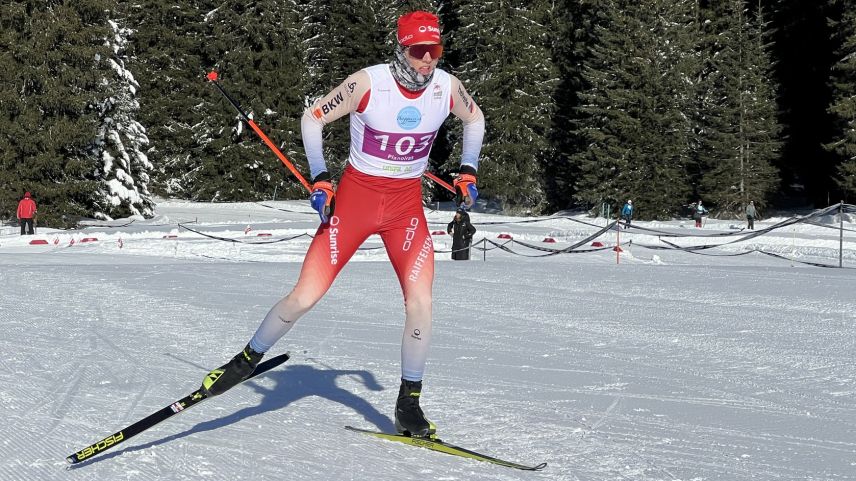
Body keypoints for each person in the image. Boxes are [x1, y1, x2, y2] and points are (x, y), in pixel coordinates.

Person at [200, 10, 485, 439]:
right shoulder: (367, 84)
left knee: (421, 302)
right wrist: (320, 177)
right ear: (402, 49)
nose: (428, 60)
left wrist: (468, 170)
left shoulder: (447, 88)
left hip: (405, 209)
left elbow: (475, 119)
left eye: (435, 51)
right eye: (419, 51)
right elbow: (312, 117)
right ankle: (246, 359)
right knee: (304, 297)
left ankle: (409, 402)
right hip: (354, 203)